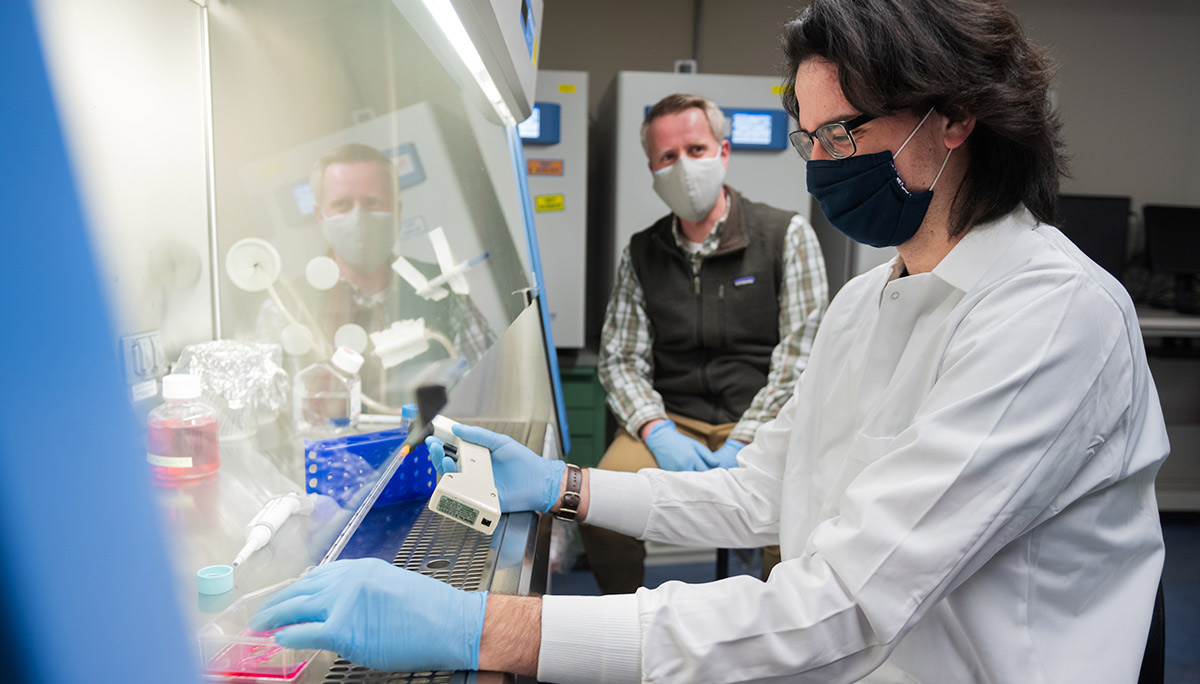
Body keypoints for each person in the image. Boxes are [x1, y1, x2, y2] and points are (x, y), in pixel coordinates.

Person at [251, 1, 1169, 682]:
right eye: (810, 138)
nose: (821, 163)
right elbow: (765, 490)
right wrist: (568, 487)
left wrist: (489, 628)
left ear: (956, 117)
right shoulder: (868, 303)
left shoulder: (1048, 316)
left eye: (841, 131)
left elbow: (845, 598)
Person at [584, 93, 828, 592]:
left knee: (798, 524)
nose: (684, 167)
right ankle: (627, 631)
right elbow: (620, 358)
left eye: (696, 149)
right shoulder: (642, 252)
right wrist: (656, 430)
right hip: (672, 421)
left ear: (723, 151)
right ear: (652, 169)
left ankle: (777, 646)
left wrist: (747, 436)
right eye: (668, 157)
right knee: (603, 512)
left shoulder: (785, 235)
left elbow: (801, 356)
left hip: (763, 424)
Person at [257, 143, 493, 407]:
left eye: (372, 202)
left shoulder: (444, 291)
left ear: (397, 211)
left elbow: (488, 388)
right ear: (320, 216)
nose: (358, 217)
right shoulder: (286, 308)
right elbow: (275, 415)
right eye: (342, 204)